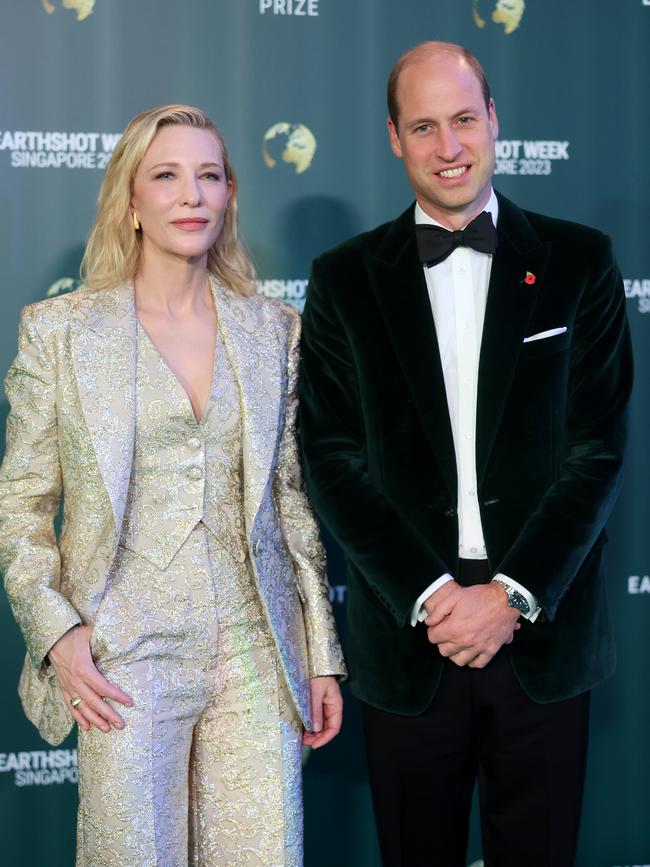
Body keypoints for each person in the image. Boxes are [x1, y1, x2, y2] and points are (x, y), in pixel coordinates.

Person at [298, 41, 632, 867]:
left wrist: (509, 596)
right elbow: (331, 457)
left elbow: (598, 449)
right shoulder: (343, 279)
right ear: (393, 138)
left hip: (541, 636)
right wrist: (435, 595)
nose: (447, 147)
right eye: (423, 127)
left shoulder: (579, 261)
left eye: (462, 120)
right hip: (410, 640)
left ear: (494, 121)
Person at [0, 103, 345, 867]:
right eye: (166, 175)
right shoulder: (60, 331)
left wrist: (321, 652)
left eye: (209, 176)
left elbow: (291, 502)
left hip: (256, 649)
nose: (190, 194)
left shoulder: (273, 330)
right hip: (123, 650)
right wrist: (57, 632)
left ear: (227, 197)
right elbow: (21, 504)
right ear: (131, 200)